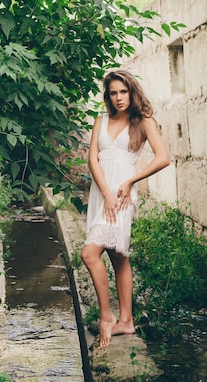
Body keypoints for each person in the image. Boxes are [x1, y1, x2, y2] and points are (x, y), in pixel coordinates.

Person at [81, 69, 170, 349]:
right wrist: (105, 192)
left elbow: (163, 158)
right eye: (113, 93)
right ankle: (127, 321)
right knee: (118, 256)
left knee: (89, 253)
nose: (119, 98)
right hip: (103, 193)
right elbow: (92, 159)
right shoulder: (101, 120)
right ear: (107, 96)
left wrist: (130, 180)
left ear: (132, 92)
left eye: (123, 91)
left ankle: (107, 317)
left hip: (122, 194)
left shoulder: (143, 121)